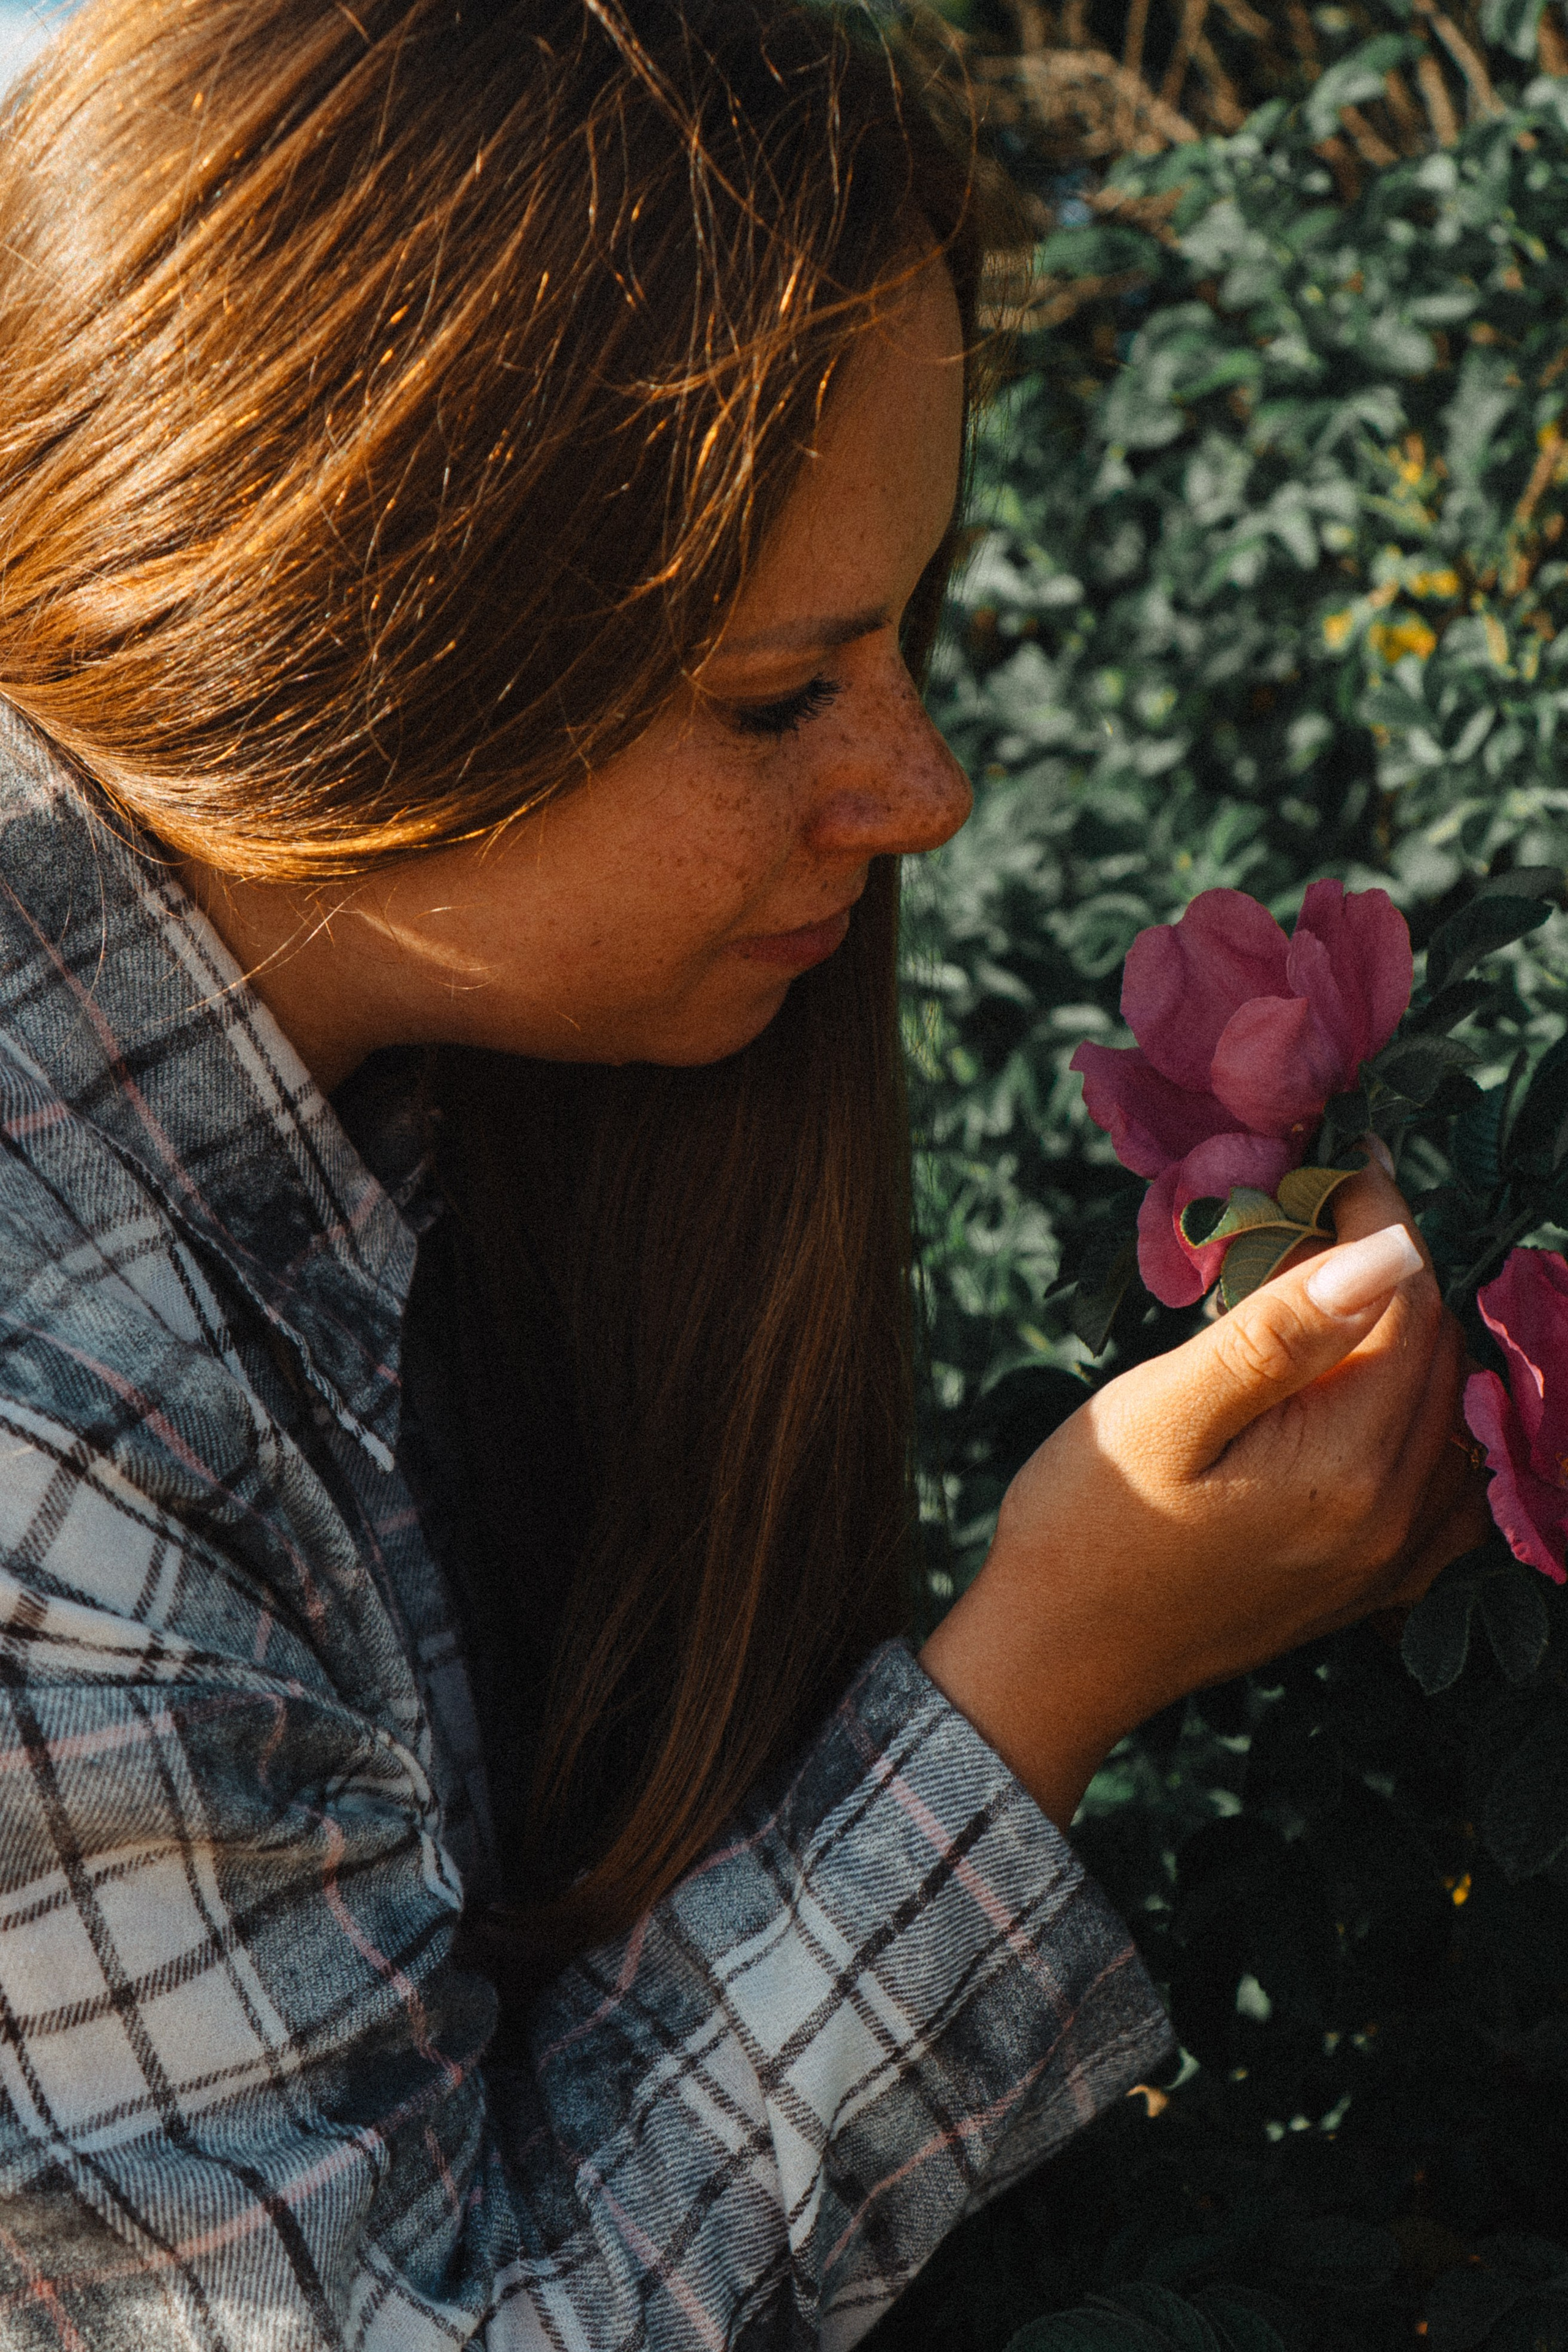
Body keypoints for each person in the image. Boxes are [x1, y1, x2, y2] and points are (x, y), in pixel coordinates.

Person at [0, 0, 1482, 2342]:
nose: (924, 791)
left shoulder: (396, 1102)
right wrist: (1050, 1671)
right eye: (781, 693)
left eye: (907, 632)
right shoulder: (41, 1443)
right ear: (328, 654)